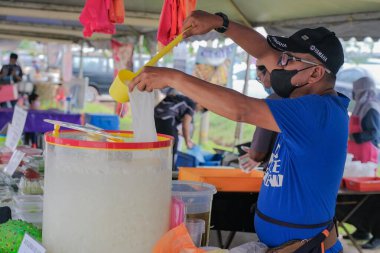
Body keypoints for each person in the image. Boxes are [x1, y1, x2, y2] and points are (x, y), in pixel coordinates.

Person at [129, 11, 348, 252]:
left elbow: (241, 109)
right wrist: (220, 23)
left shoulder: (317, 112)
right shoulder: (311, 97)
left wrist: (173, 78)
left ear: (315, 73)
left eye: (289, 60)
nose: (279, 64)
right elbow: (264, 51)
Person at [239, 61, 280, 172]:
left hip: (280, 173)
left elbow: (258, 153)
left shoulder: (272, 101)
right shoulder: (305, 98)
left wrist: (254, 153)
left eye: (259, 77)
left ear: (269, 73)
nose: (261, 82)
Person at [154, 93, 206, 169]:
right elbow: (185, 125)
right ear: (201, 104)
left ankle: (159, 167)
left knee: (162, 143)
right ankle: (171, 170)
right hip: (166, 116)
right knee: (172, 144)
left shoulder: (186, 100)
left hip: (157, 116)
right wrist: (187, 141)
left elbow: (174, 129)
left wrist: (185, 137)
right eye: (201, 109)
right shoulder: (192, 105)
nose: (198, 111)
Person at [348, 76, 380, 163]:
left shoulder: (371, 107)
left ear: (361, 90)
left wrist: (353, 137)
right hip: (355, 152)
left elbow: (374, 133)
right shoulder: (361, 106)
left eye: (355, 89)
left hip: (367, 154)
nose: (353, 93)